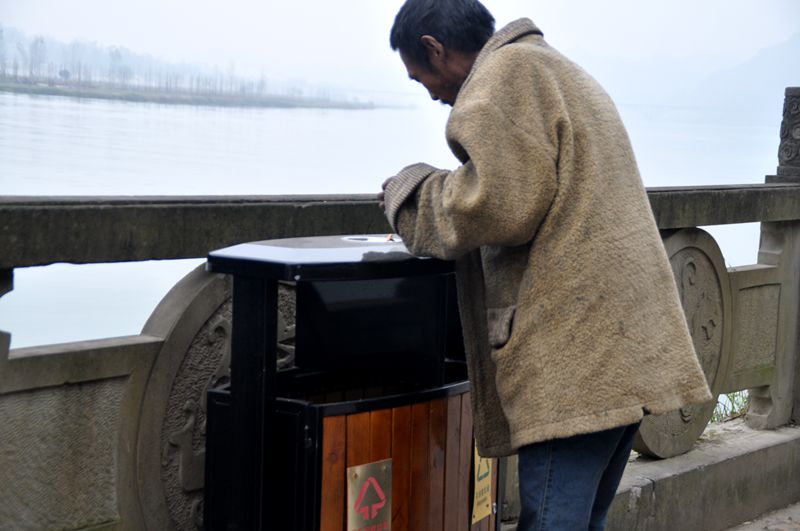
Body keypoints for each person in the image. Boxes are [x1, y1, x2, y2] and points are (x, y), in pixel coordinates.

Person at [378, 0, 713, 529]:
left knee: (553, 521)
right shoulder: (554, 67)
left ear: (433, 48)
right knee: (582, 521)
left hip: (575, 359)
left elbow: (496, 204)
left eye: (424, 81)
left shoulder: (505, 75)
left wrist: (411, 194)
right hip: (622, 345)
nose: (435, 97)